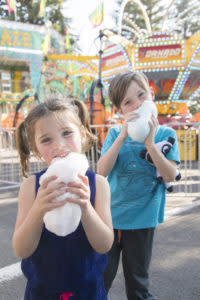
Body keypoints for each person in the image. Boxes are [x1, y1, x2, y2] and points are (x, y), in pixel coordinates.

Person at [12, 94, 114, 300]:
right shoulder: (31, 187)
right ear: (37, 150)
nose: (58, 145)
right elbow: (21, 249)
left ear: (83, 135)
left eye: (67, 133)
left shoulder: (99, 184)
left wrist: (85, 207)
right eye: (46, 140)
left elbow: (104, 245)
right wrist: (39, 208)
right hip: (42, 292)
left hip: (89, 292)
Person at [97, 71, 180, 300]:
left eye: (142, 95)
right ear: (120, 111)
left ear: (151, 95)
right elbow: (101, 172)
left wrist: (151, 145)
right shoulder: (114, 133)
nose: (137, 105)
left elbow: (171, 174)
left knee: (137, 280)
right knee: (101, 276)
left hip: (142, 220)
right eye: (128, 102)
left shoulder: (166, 134)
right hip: (109, 219)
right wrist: (122, 136)